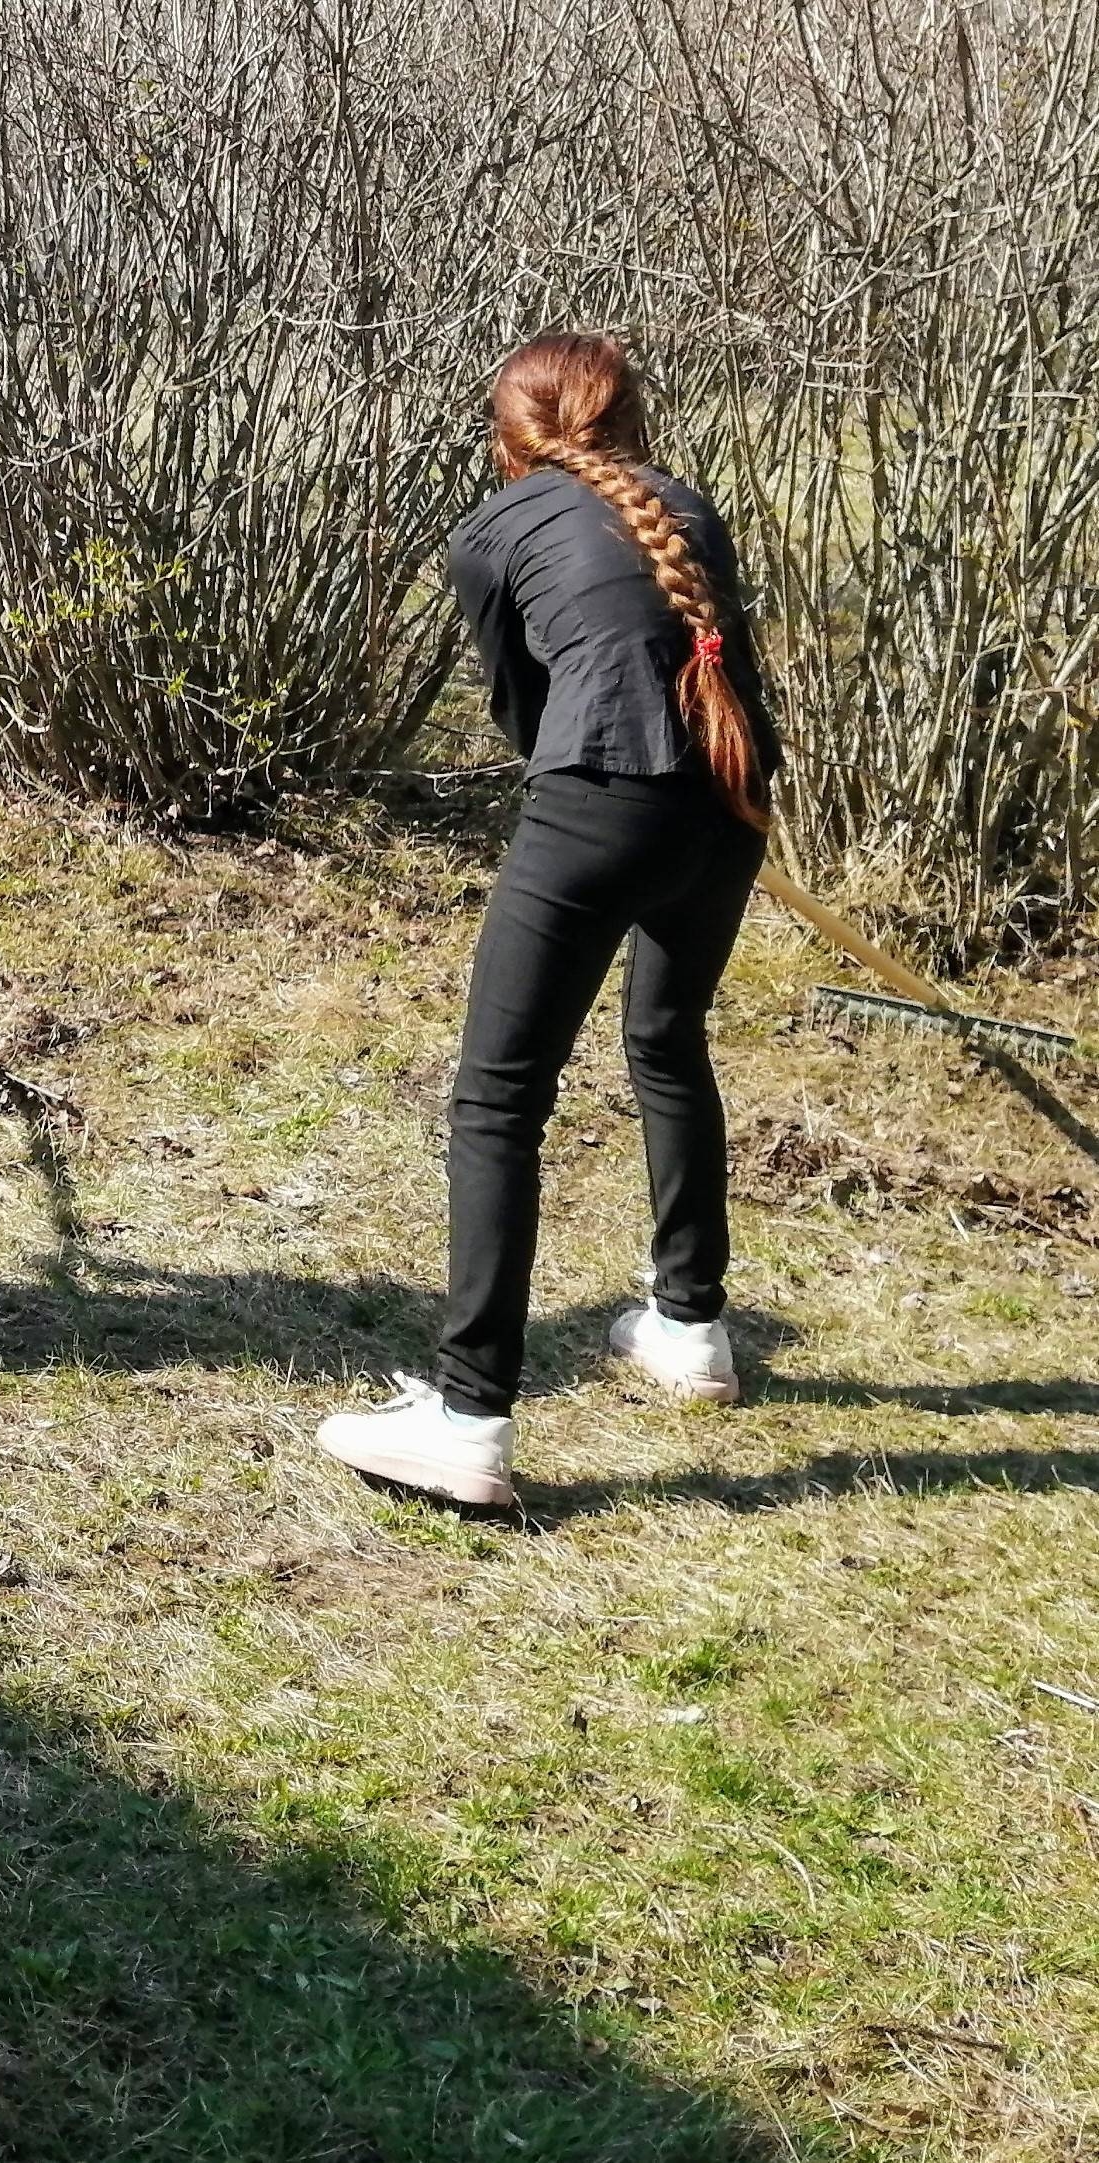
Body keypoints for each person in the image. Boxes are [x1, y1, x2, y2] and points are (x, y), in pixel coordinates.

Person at [317, 331, 781, 1508]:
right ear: (631, 417)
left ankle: (469, 1416)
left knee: (499, 1097)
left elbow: (530, 718)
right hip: (729, 805)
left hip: (599, 800)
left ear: (509, 430)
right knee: (667, 1044)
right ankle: (690, 1328)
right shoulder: (689, 509)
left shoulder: (493, 531)